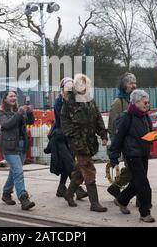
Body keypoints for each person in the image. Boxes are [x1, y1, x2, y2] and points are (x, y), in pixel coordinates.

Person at [61, 74, 109, 212]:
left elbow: (98, 119)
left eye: (85, 84)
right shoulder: (69, 102)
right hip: (78, 144)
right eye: (79, 84)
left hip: (90, 142)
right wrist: (75, 139)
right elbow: (65, 125)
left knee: (79, 171)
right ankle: (94, 203)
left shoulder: (90, 101)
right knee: (89, 170)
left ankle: (69, 194)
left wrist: (103, 135)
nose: (83, 87)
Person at [109, 89, 155, 223]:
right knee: (143, 184)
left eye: (147, 100)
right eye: (144, 101)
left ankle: (121, 200)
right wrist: (114, 155)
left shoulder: (145, 116)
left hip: (143, 153)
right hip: (132, 154)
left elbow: (149, 133)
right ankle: (145, 212)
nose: (147, 103)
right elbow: (118, 137)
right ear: (135, 102)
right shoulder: (126, 117)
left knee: (136, 182)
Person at [45, 77, 87, 200]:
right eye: (67, 88)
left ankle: (61, 187)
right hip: (60, 137)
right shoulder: (59, 102)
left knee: (66, 163)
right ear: (62, 89)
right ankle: (77, 188)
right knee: (69, 162)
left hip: (71, 137)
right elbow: (65, 120)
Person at [0, 90, 36, 210]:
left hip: (21, 144)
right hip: (8, 146)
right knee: (18, 172)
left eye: (15, 96)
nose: (13, 98)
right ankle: (24, 198)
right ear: (5, 99)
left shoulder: (19, 110)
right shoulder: (1, 113)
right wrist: (19, 113)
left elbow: (30, 122)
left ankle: (6, 193)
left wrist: (29, 113)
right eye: (10, 96)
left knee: (14, 171)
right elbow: (7, 125)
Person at [107, 73, 137, 200]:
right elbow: (113, 126)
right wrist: (115, 147)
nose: (134, 85)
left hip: (136, 142)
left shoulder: (135, 101)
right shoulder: (118, 102)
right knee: (133, 170)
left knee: (134, 170)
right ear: (124, 85)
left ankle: (120, 190)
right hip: (125, 143)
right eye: (130, 83)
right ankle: (117, 190)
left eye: (135, 82)